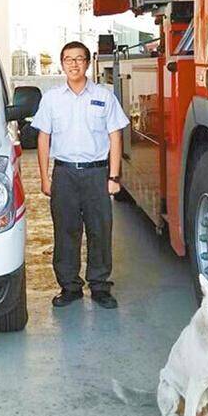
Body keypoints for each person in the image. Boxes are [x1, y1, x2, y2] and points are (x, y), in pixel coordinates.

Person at [31, 41, 130, 309]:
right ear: (62, 63)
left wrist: (114, 176)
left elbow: (115, 135)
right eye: (68, 59)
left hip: (97, 174)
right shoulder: (52, 98)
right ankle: (70, 287)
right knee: (65, 231)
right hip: (64, 174)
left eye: (79, 59)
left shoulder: (104, 96)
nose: (74, 64)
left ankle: (99, 286)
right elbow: (43, 138)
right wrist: (44, 177)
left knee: (100, 231)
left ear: (88, 63)